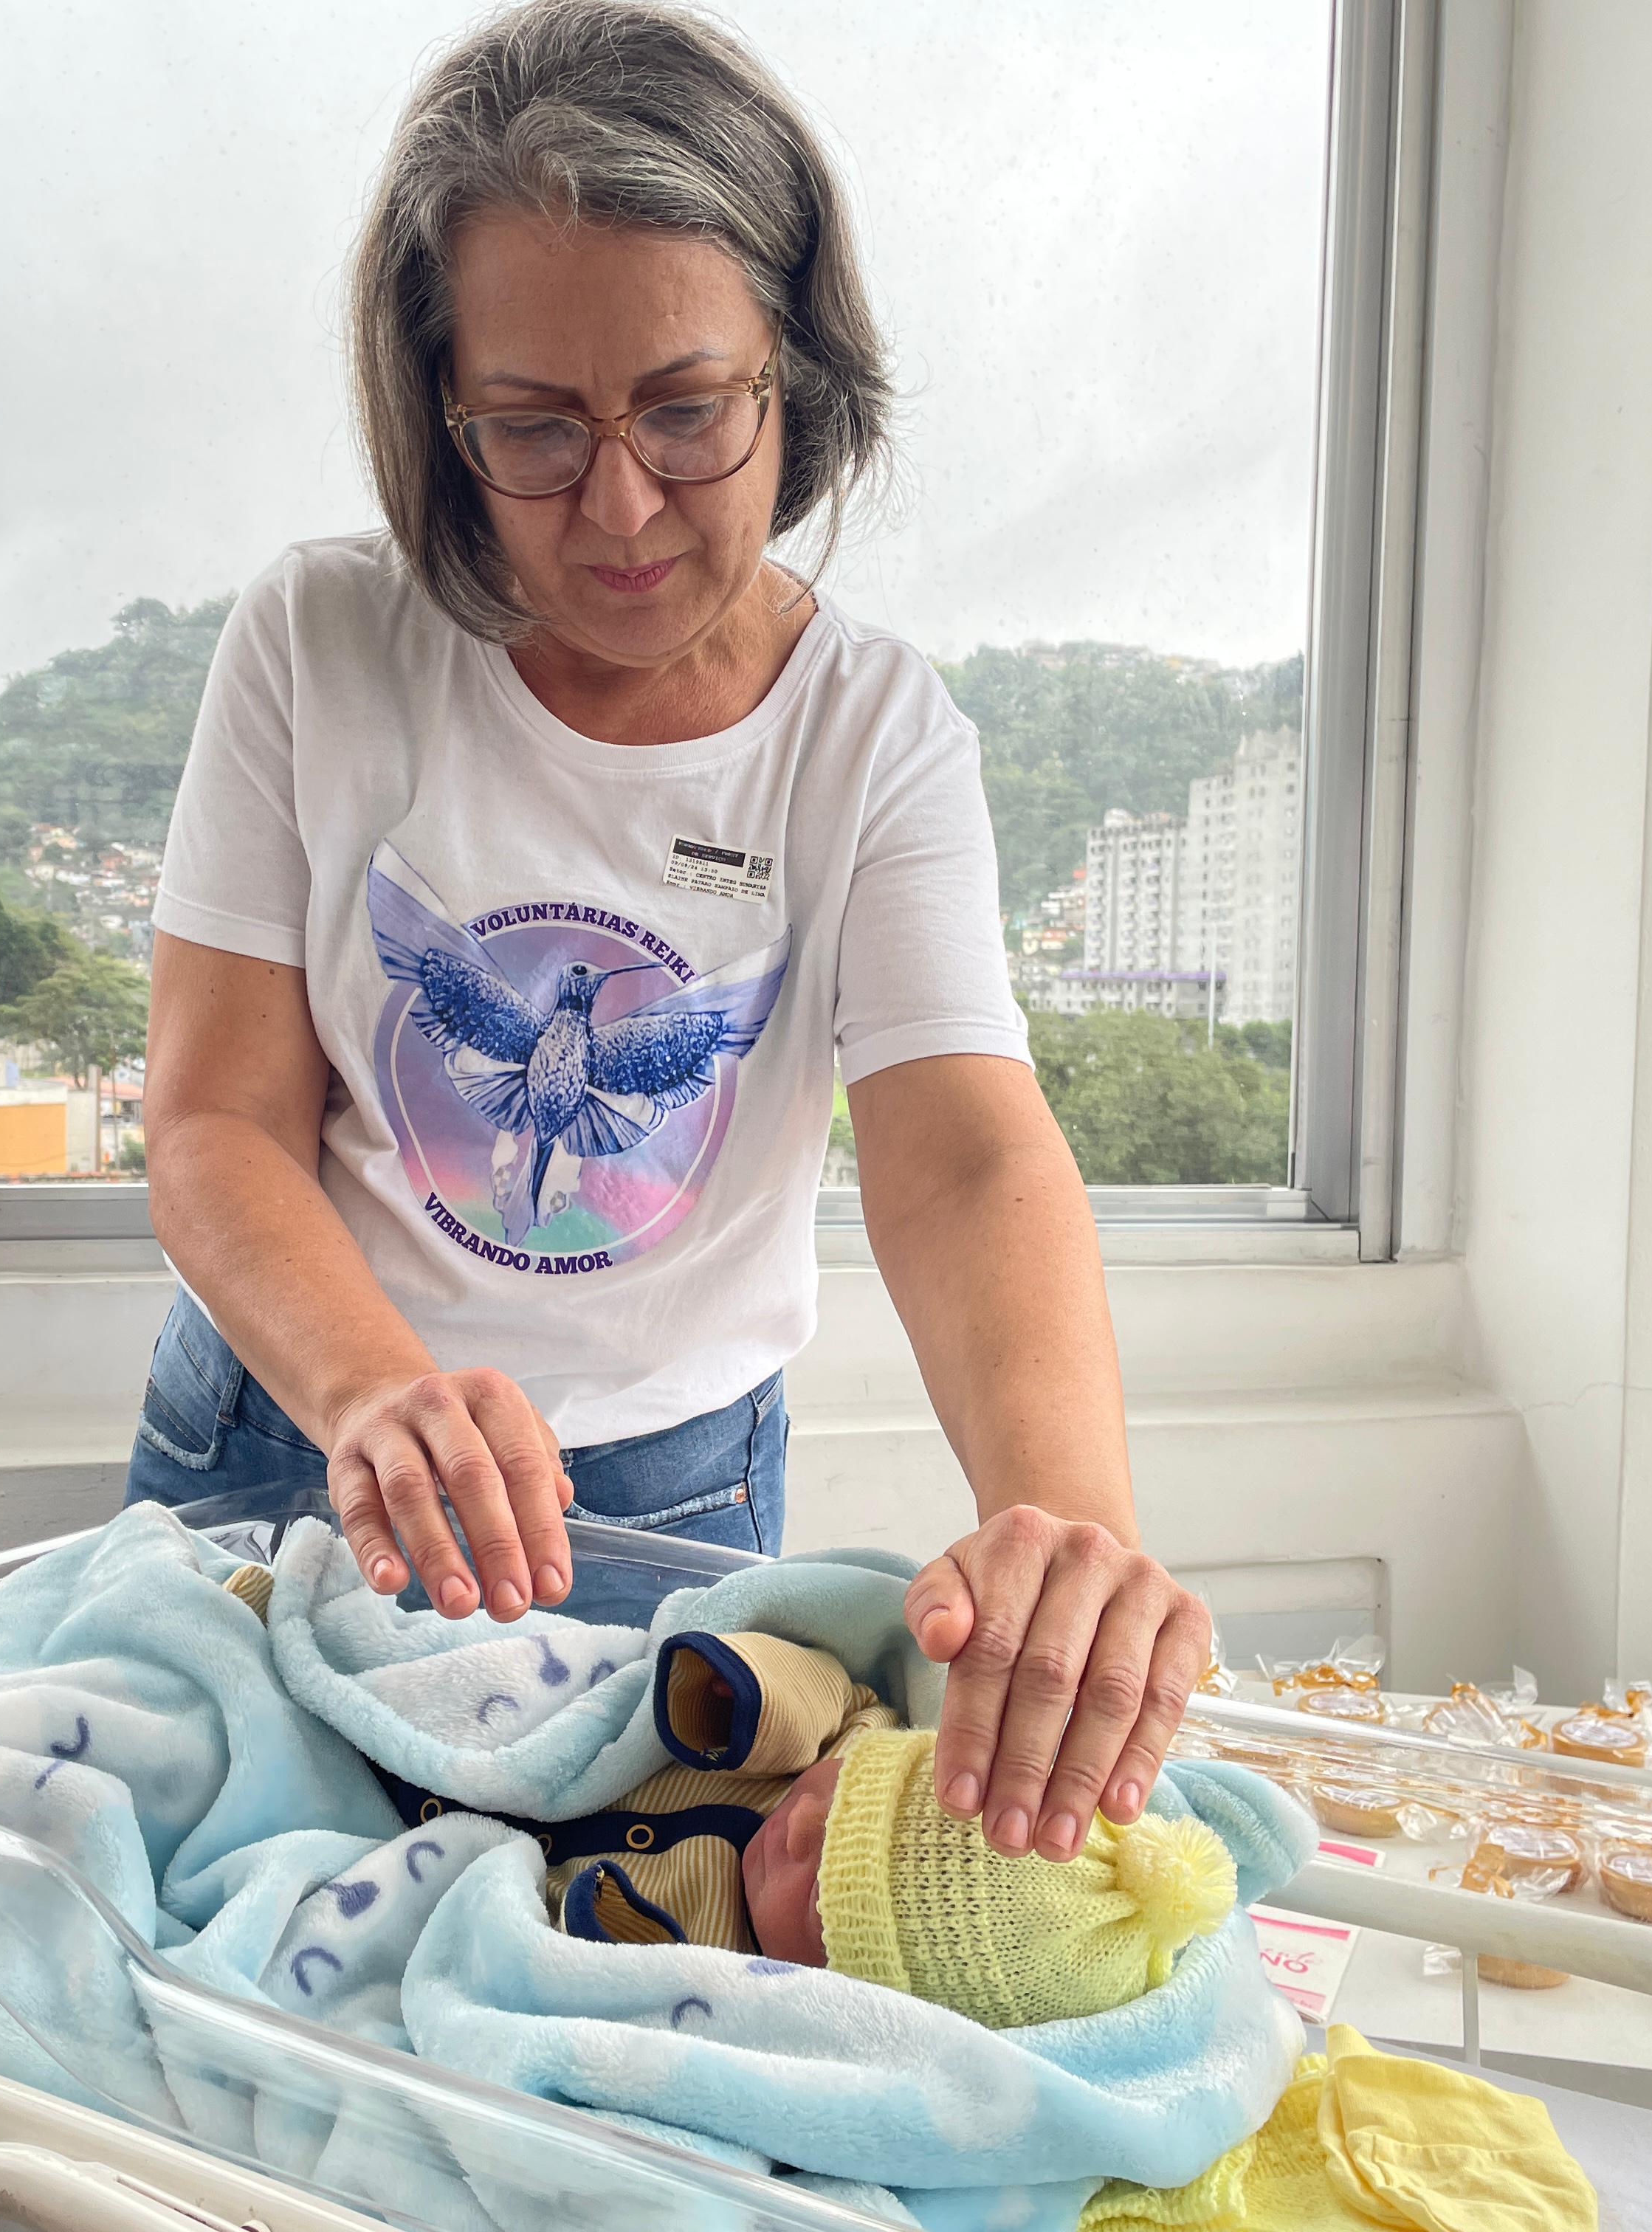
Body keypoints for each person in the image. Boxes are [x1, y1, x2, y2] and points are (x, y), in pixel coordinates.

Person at [133, 0, 1209, 1866]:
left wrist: (1071, 1533)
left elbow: (961, 1159)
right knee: (216, 1940)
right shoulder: (323, 644)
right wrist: (376, 1388)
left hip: (669, 1500)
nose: (619, 508)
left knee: (632, 1955)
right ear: (441, 418)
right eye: (533, 433)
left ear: (800, 376)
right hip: (294, 1427)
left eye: (689, 412)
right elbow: (218, 1118)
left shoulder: (871, 735)